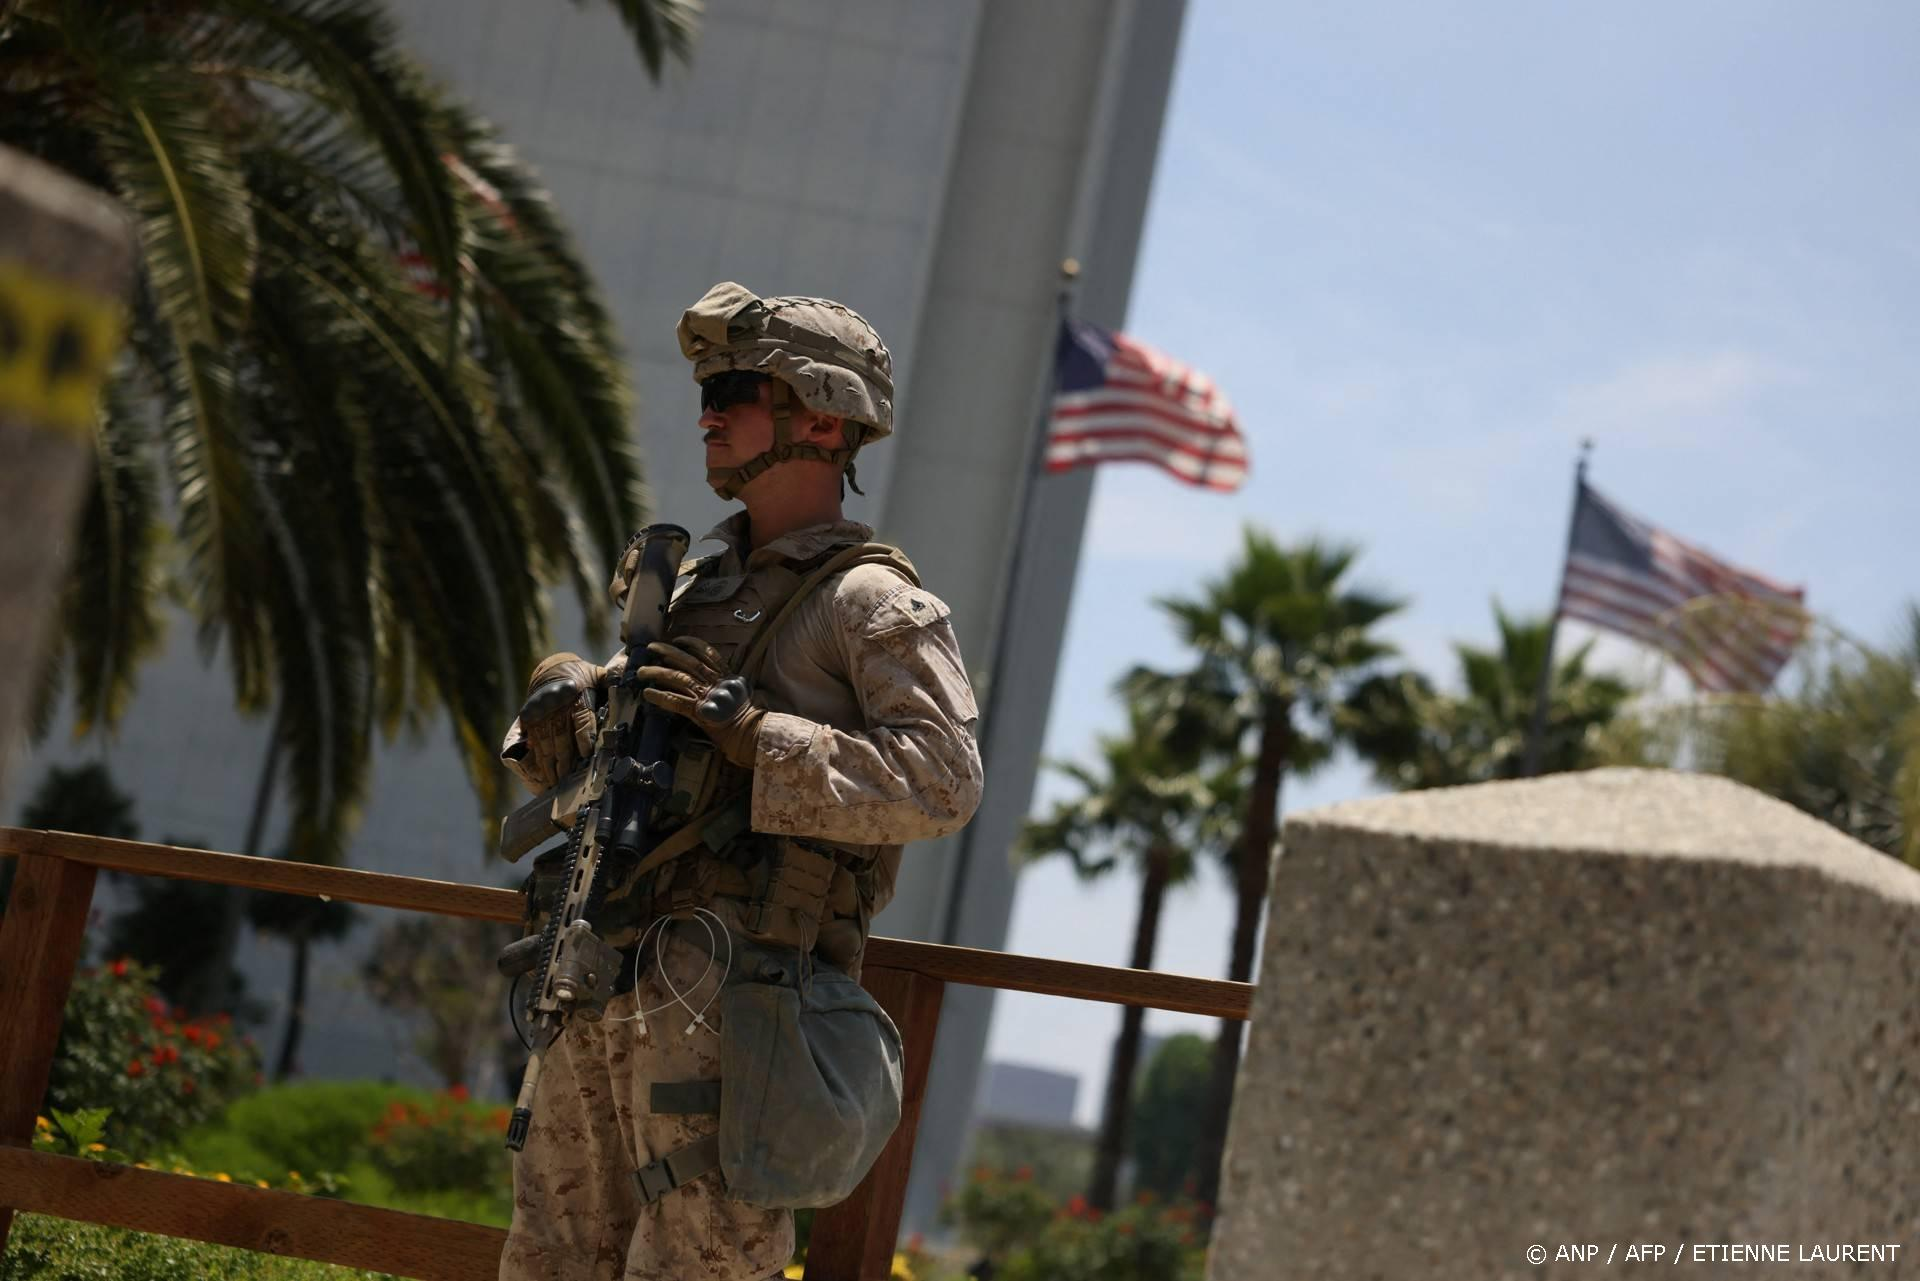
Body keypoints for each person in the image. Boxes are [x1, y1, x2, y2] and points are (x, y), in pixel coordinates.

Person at [496, 282, 984, 1281]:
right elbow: (607, 765)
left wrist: (758, 735)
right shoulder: (686, 589)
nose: (709, 412)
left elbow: (944, 780)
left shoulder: (872, 601)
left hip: (739, 1004)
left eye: (737, 389)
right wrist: (565, 711)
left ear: (819, 417)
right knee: (548, 1255)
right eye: (707, 390)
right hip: (601, 968)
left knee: (699, 1263)